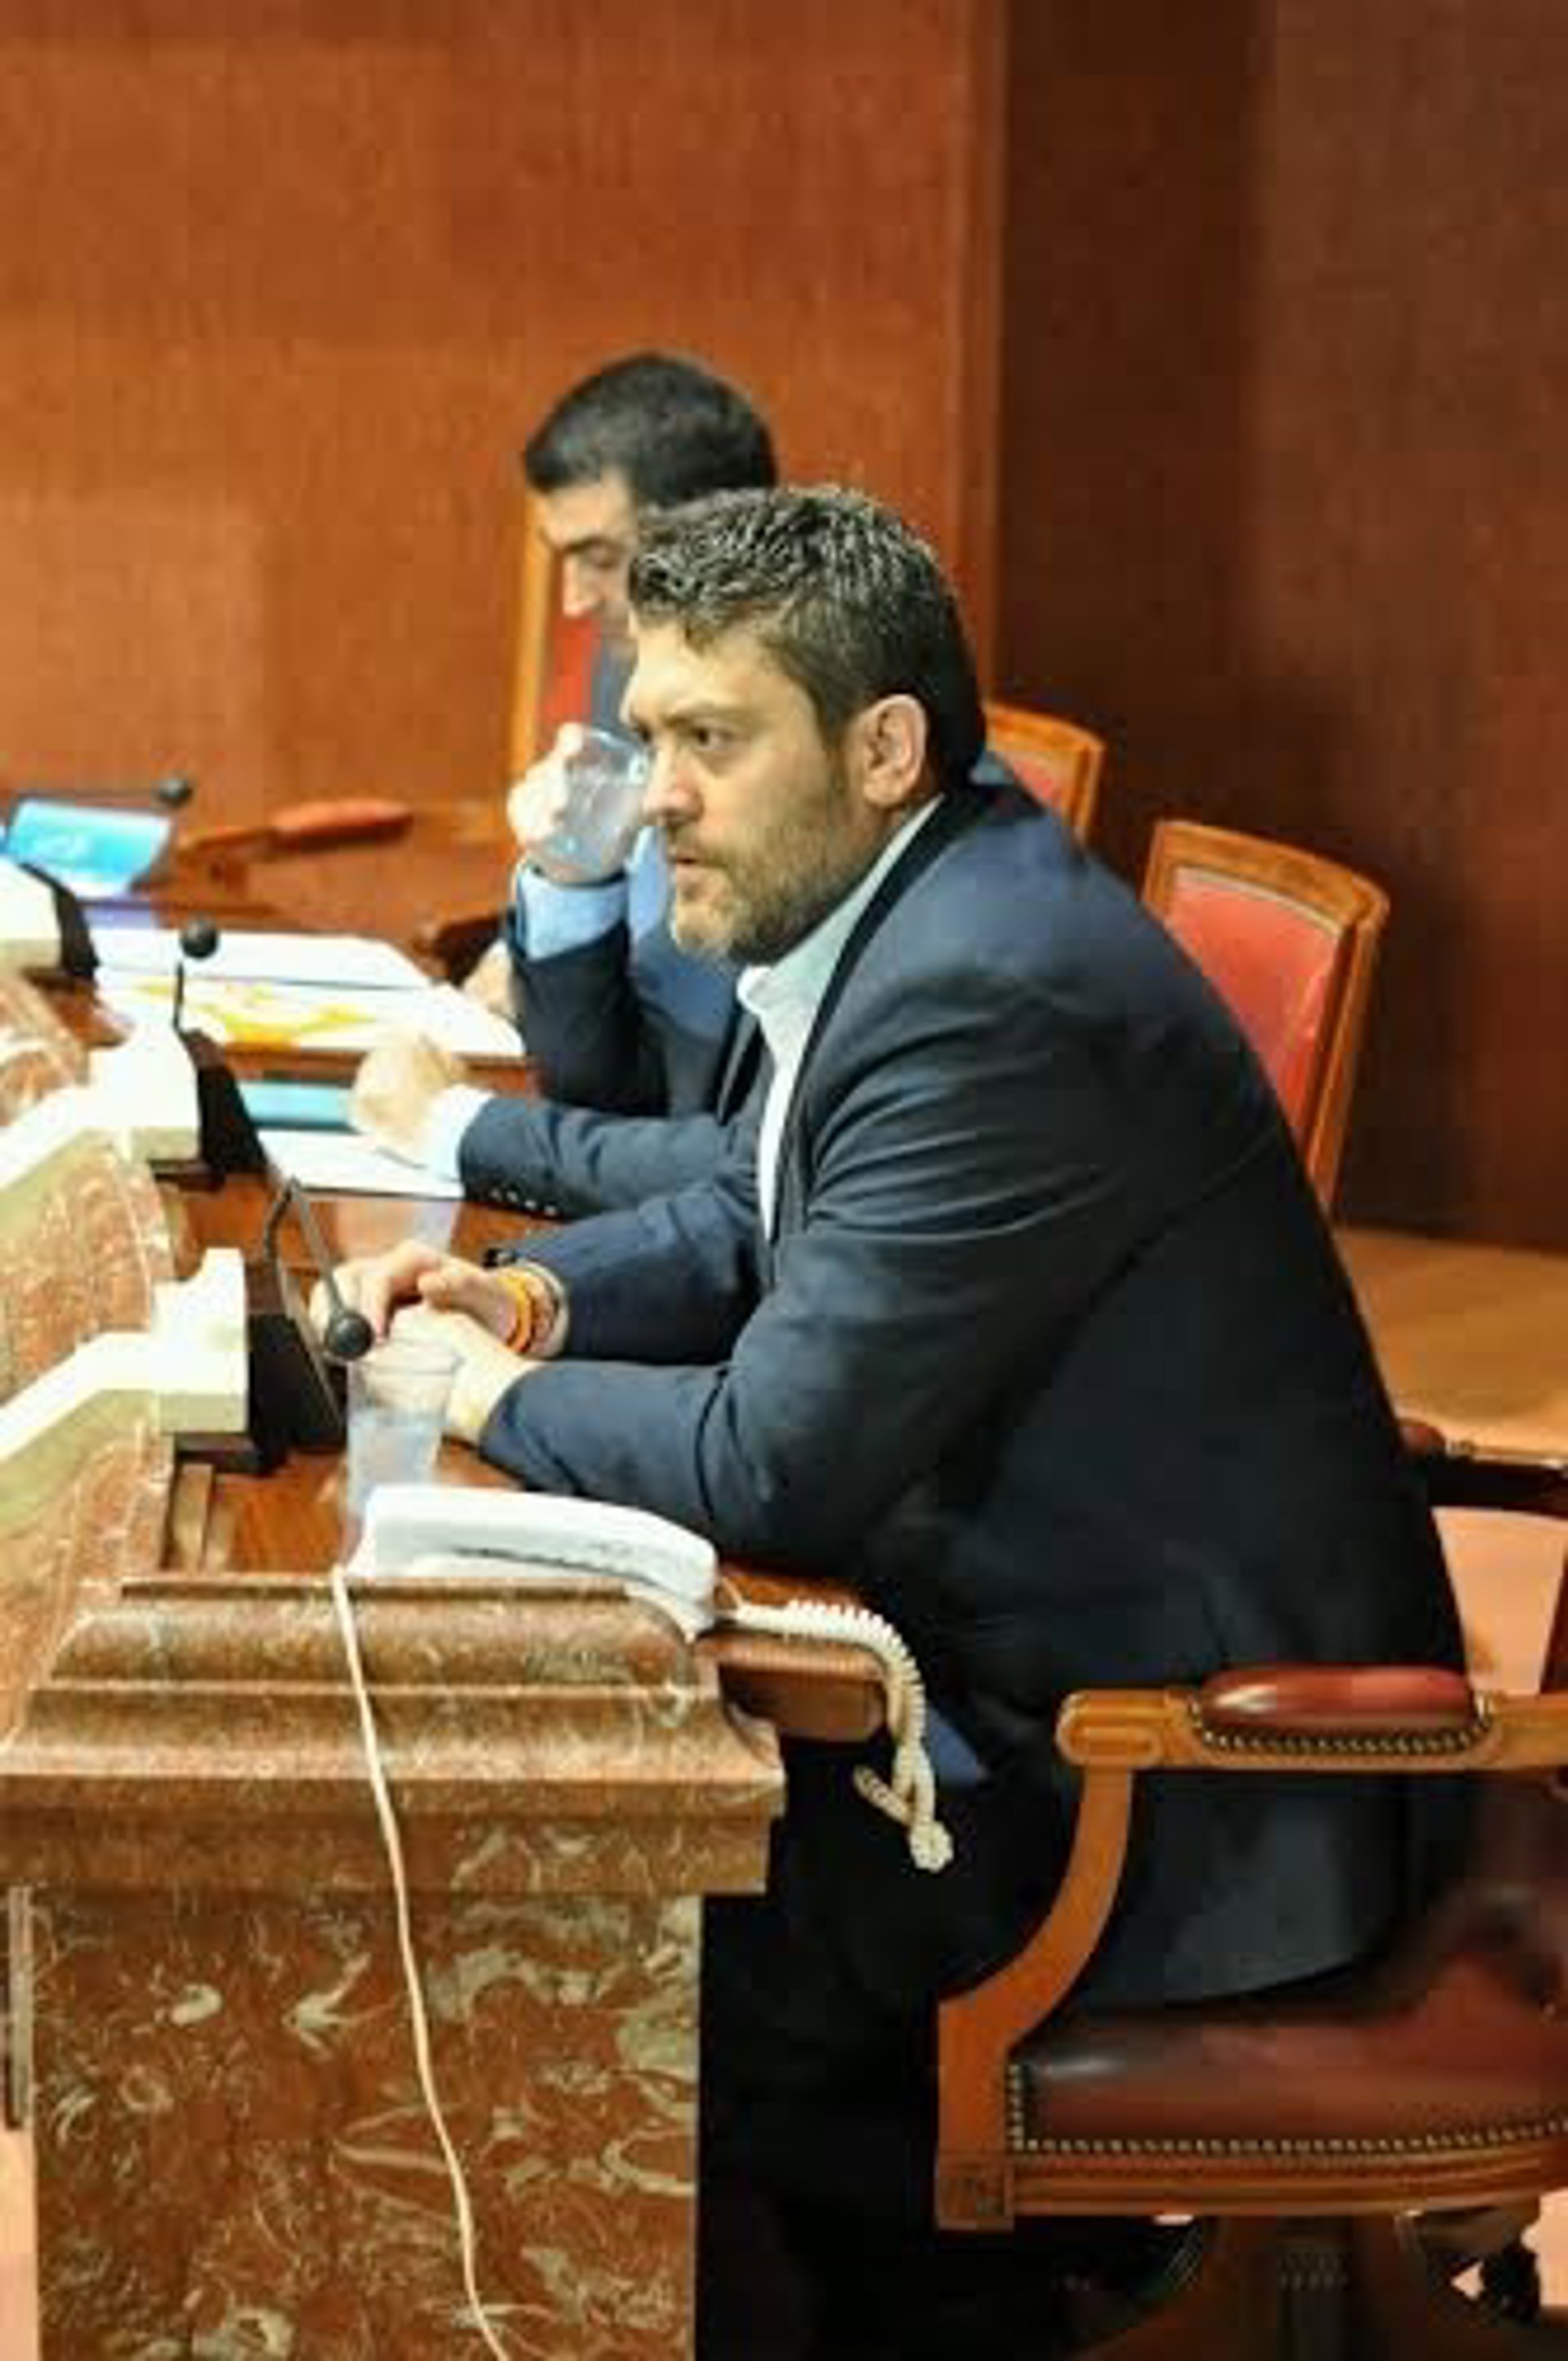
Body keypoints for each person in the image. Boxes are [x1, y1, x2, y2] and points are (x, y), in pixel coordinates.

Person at [323, 487, 1465, 2354]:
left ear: (880, 746)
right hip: (1022, 1658)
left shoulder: (984, 990)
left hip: (1170, 1779)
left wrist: (494, 1396)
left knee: (607, 1932)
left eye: (712, 740)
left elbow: (773, 1462)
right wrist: (529, 1296)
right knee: (588, 1857)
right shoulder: (916, 894)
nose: (659, 795)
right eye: (653, 734)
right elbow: (756, 1203)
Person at [356, 352, 777, 1218]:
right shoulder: (632, 685)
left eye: (600, 557)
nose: (577, 603)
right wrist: (569, 888)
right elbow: (614, 1081)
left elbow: (762, 1170)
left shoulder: (828, 797)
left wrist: (452, 1125)